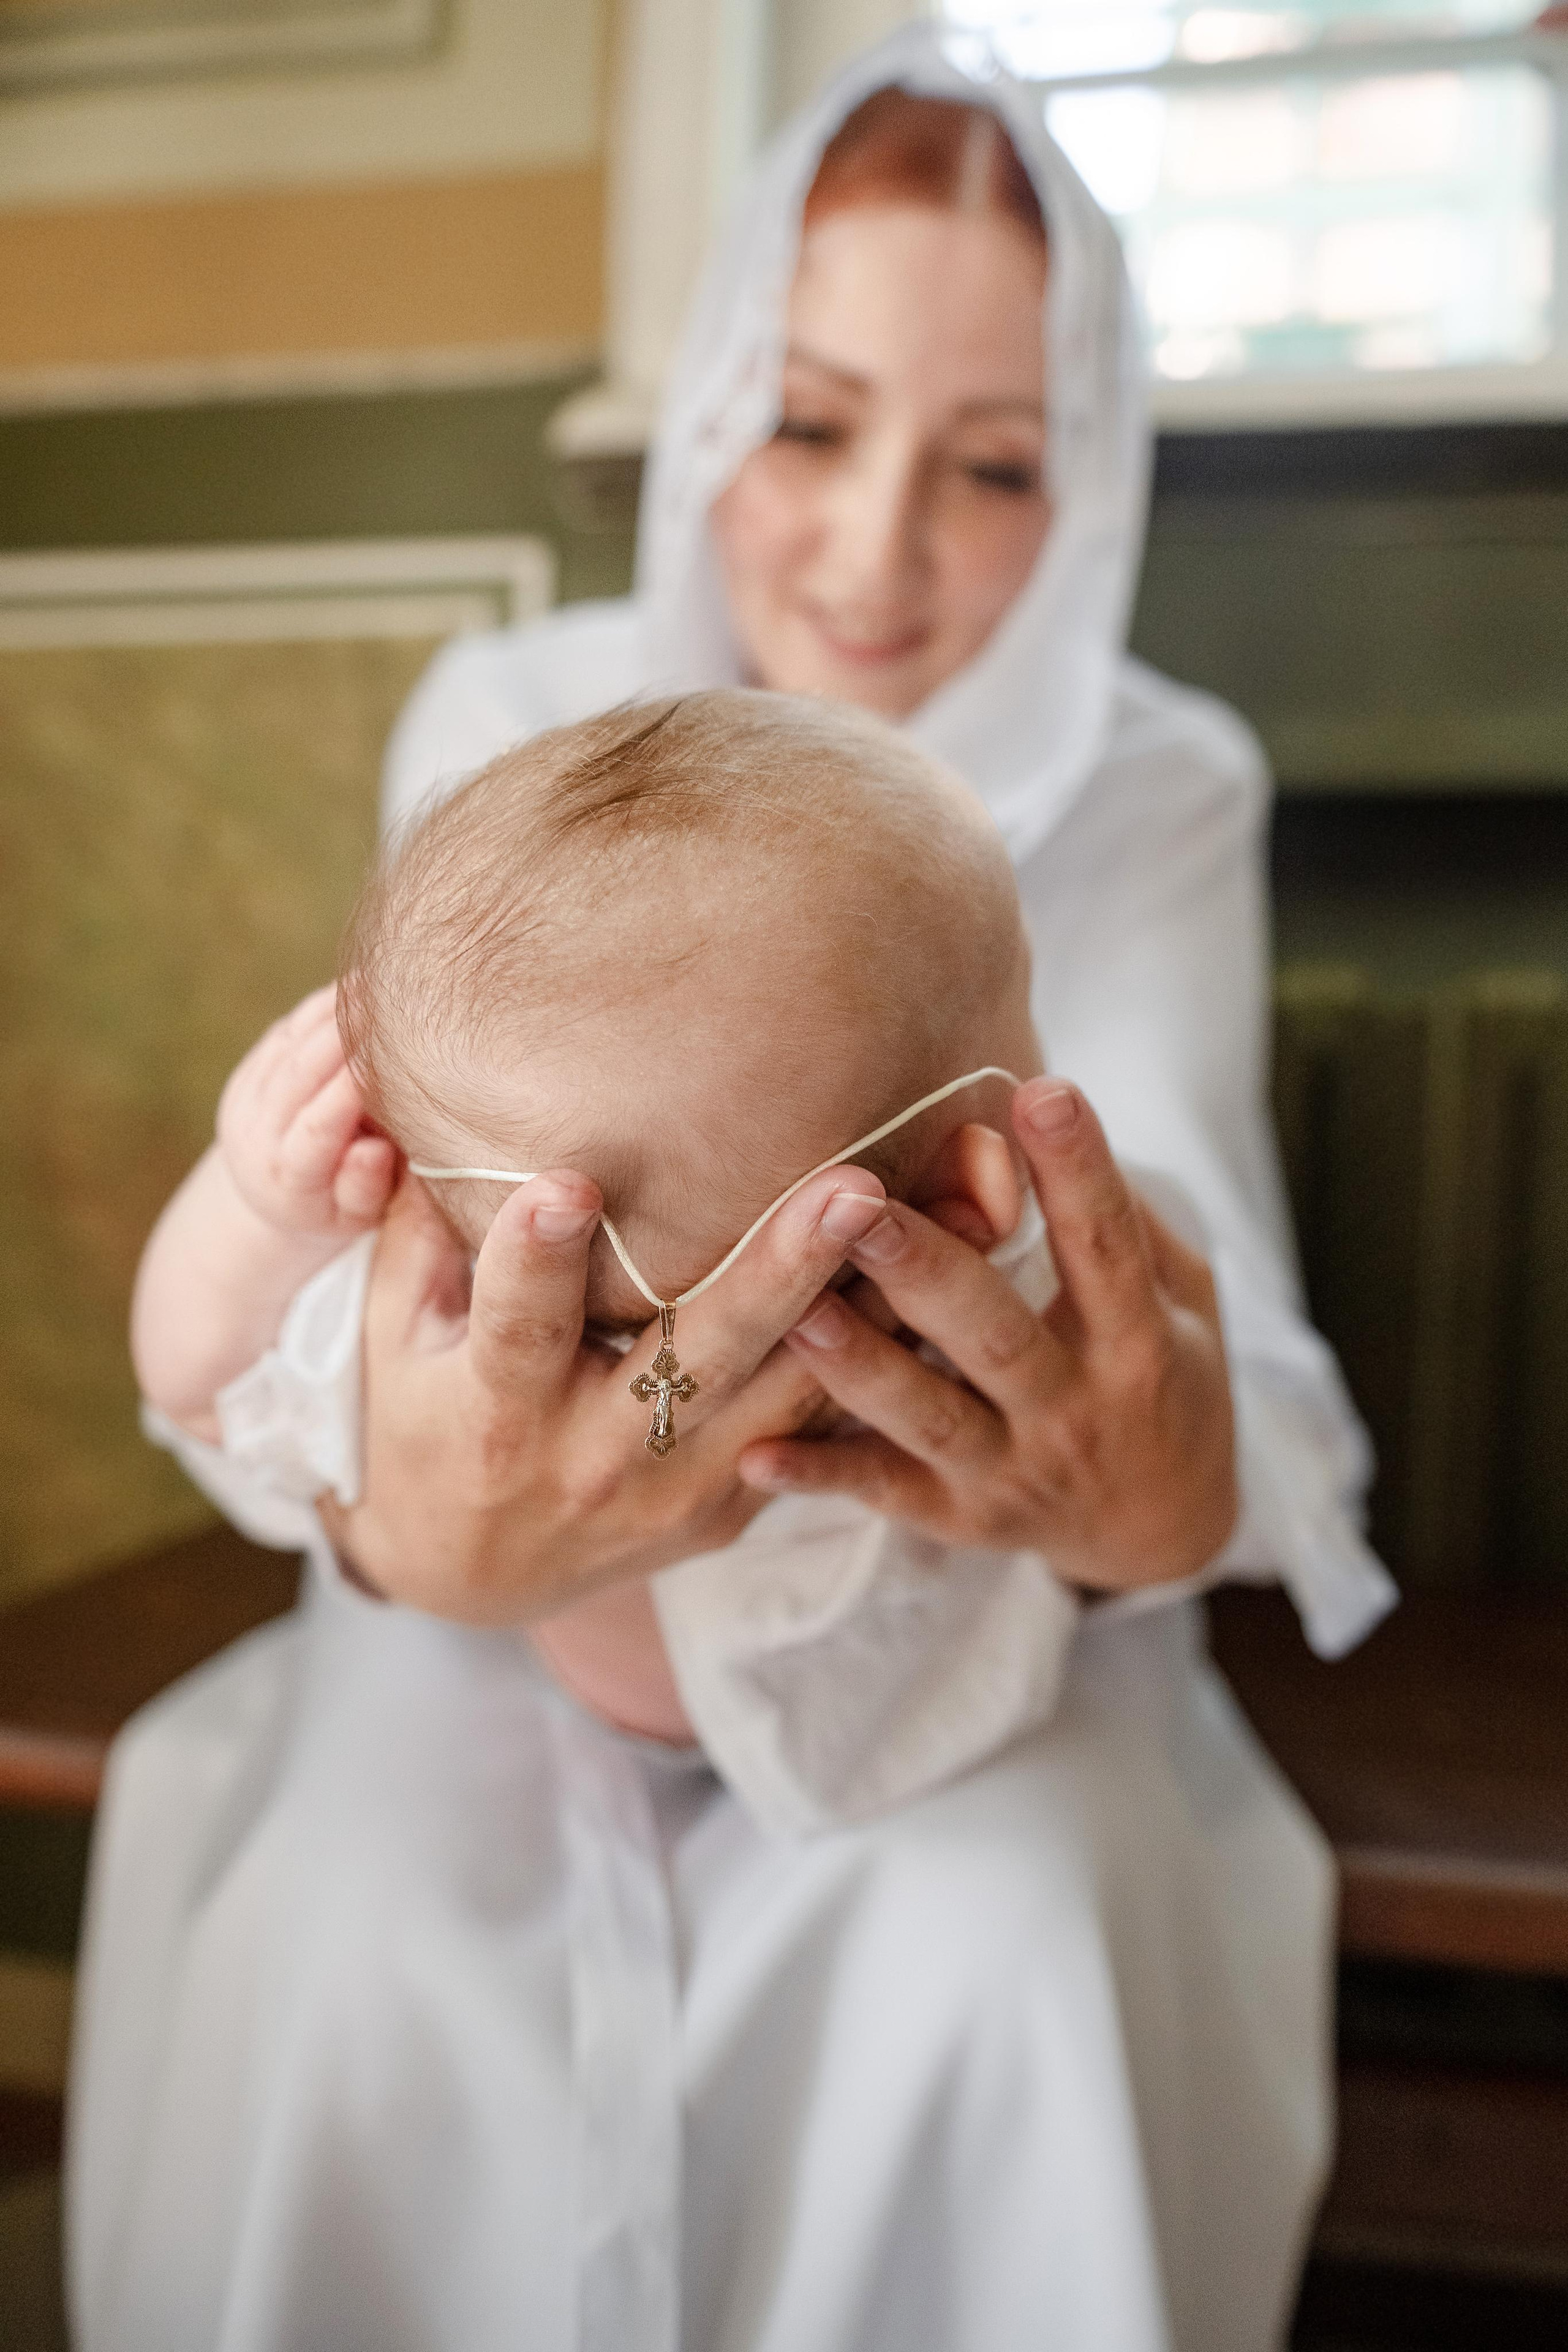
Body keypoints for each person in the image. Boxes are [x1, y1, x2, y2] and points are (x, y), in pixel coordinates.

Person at [69, 25, 1396, 2352]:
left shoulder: (1157, 781)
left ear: (1085, 482)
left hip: (964, 1612)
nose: (880, 553)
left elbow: (1191, 1303)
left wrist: (1136, 1461)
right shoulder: (520, 719)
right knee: (364, 1933)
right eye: (808, 421)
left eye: (993, 465)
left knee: (1003, 1945)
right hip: (482, 1635)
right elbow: (348, 1280)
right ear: (701, 409)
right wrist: (428, 1535)